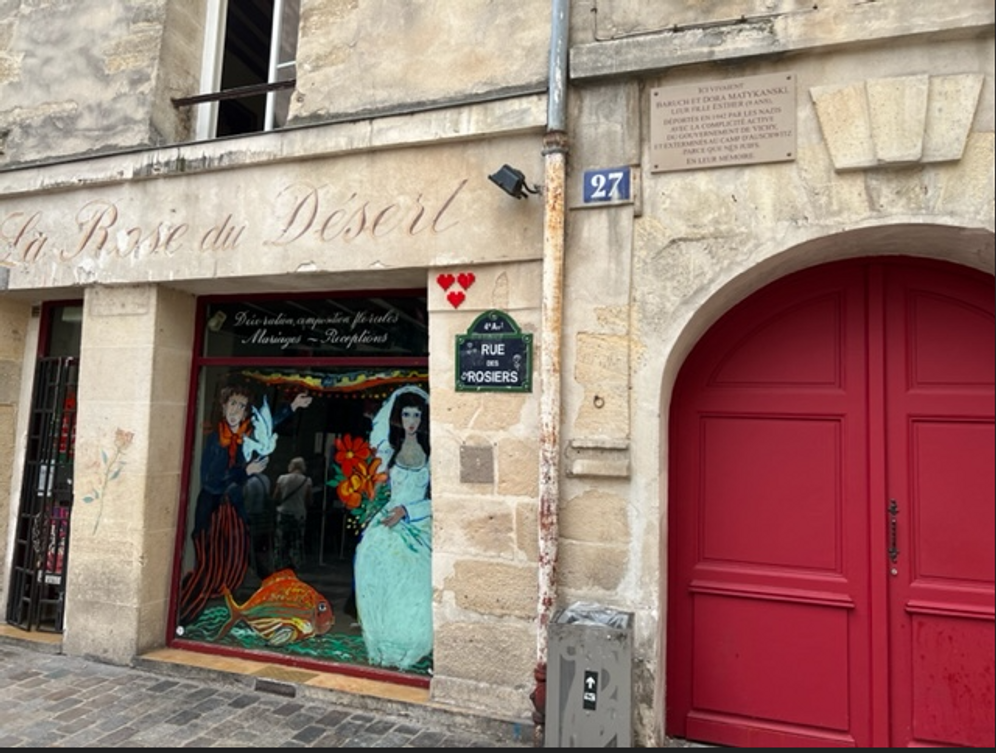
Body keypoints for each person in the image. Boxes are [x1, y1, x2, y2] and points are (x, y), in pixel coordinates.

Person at [179, 381, 312, 624]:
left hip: (233, 510)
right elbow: (211, 481)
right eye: (232, 404)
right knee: (209, 567)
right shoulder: (214, 440)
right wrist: (246, 472)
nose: (235, 410)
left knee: (235, 562)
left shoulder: (243, 436)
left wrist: (292, 406)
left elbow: (266, 426)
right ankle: (185, 615)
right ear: (223, 406)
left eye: (241, 406)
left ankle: (223, 610)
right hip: (212, 512)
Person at [352, 385, 432, 670]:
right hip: (387, 520)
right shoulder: (389, 450)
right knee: (374, 563)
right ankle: (382, 642)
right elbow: (373, 483)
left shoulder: (432, 455)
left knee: (414, 580)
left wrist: (408, 511)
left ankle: (408, 644)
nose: (411, 421)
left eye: (417, 415)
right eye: (406, 414)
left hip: (418, 523)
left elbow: (440, 499)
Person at [272, 456, 313, 571]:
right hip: (299, 514)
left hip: (283, 513)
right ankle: (295, 563)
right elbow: (309, 500)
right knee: (296, 540)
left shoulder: (282, 479)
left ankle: (279, 564)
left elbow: (275, 497)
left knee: (281, 541)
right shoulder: (307, 481)